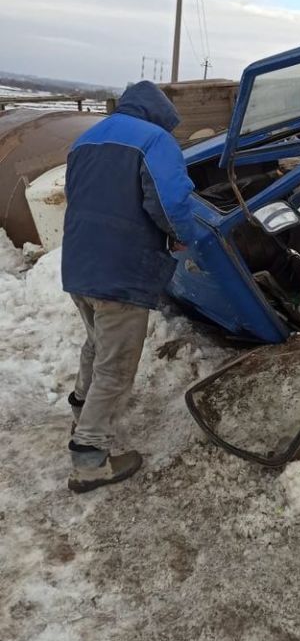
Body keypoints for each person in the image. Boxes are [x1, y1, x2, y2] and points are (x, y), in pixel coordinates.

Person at [61, 81, 197, 493]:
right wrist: (180, 236)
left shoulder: (84, 140)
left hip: (80, 265)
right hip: (119, 270)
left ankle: (81, 409)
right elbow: (171, 201)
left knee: (98, 346)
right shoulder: (155, 140)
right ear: (159, 114)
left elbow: (78, 196)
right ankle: (89, 459)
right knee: (116, 365)